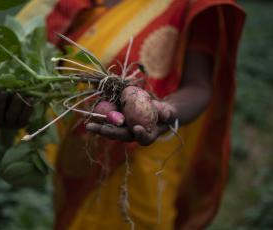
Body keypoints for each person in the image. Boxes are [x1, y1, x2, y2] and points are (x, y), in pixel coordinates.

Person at [12, 0, 245, 229]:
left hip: (145, 165)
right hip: (78, 149)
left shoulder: (191, 4)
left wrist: (165, 110)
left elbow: (199, 86)